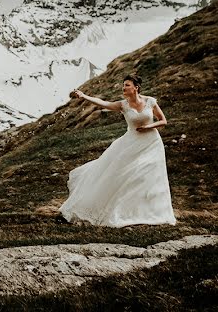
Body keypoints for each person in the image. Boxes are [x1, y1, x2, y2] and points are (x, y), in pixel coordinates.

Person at [59, 74, 175, 227]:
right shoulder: (123, 105)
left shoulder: (150, 101)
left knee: (149, 176)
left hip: (152, 143)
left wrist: (148, 127)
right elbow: (103, 103)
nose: (123, 87)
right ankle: (123, 210)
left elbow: (163, 120)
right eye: (123, 85)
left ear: (136, 87)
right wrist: (84, 96)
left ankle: (152, 212)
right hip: (131, 143)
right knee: (125, 175)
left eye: (127, 85)